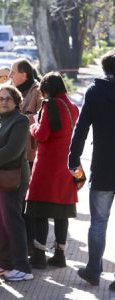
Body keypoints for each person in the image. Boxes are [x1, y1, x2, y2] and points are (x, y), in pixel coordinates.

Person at [68, 49, 115, 289]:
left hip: (104, 165)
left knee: (98, 221)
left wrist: (73, 158)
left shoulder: (95, 92)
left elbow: (81, 128)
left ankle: (94, 270)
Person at [25, 72, 79, 269]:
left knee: (40, 210)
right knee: (61, 213)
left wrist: (32, 124)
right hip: (66, 164)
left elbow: (43, 134)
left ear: (48, 89)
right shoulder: (72, 106)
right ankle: (60, 255)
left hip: (48, 165)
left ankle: (39, 256)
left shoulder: (51, 105)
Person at [0, 84, 33, 281]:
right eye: (1, 98)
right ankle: (5, 262)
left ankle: (23, 267)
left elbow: (13, 150)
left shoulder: (20, 121)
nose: (4, 101)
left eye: (8, 98)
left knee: (12, 221)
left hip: (12, 178)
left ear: (16, 101)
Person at [9, 58, 42, 253]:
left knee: (28, 203)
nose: (10, 76)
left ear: (25, 75)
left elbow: (42, 119)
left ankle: (32, 245)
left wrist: (21, 118)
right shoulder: (11, 92)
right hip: (14, 154)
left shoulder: (37, 92)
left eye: (13, 72)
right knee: (16, 203)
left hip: (30, 155)